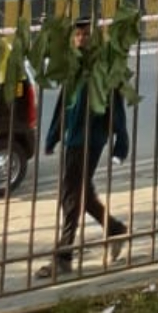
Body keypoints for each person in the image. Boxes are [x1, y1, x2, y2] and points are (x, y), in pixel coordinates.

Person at [37, 21, 130, 279]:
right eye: (77, 34)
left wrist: (121, 142)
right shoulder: (74, 66)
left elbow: (116, 105)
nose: (81, 39)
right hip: (73, 138)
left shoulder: (102, 66)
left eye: (86, 34)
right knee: (81, 193)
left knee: (70, 194)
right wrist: (53, 136)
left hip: (92, 139)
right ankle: (115, 229)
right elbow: (63, 103)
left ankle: (63, 255)